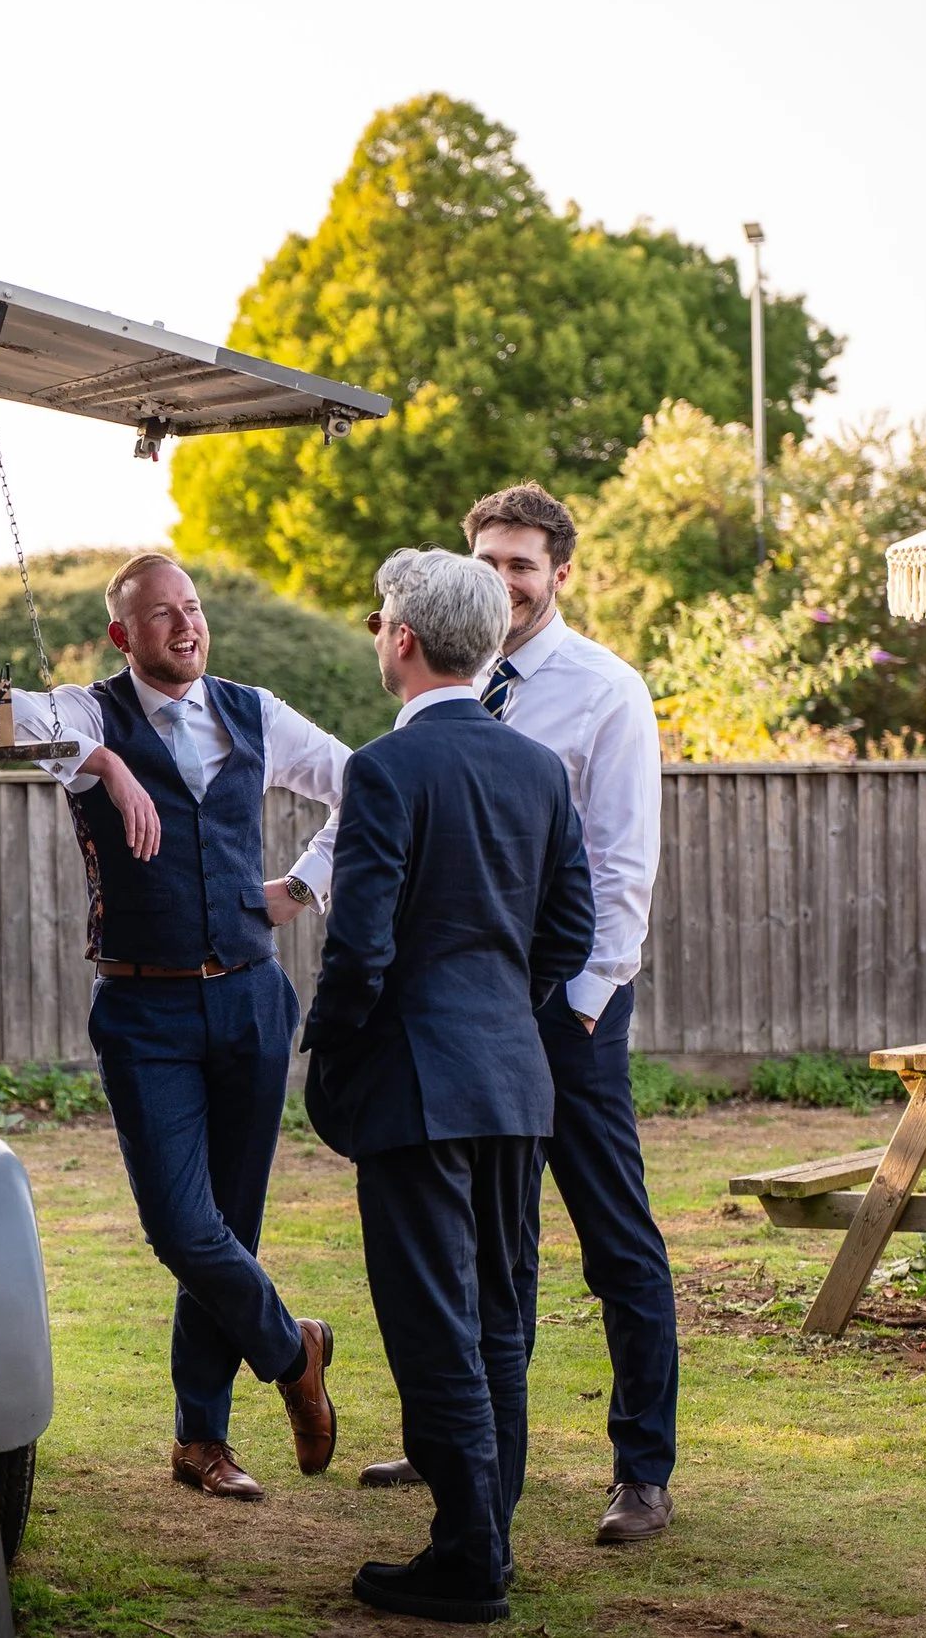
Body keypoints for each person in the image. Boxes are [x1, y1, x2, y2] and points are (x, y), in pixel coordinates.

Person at [358, 482, 678, 1542]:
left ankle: (641, 1468)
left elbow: (623, 867)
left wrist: (579, 1002)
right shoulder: (446, 677)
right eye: (487, 561)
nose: (503, 580)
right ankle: (462, 1438)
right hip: (473, 1018)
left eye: (521, 564)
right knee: (478, 1244)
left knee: (612, 1238)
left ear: (560, 573)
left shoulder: (604, 691)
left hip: (571, 1011)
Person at [8, 551, 347, 1503]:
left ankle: (201, 1440)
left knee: (229, 1227)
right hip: (144, 1007)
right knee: (181, 1227)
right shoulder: (86, 711)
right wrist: (105, 763)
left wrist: (304, 887)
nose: (185, 626)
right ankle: (295, 1350)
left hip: (249, 996)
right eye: (161, 616)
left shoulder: (254, 711)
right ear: (124, 635)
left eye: (192, 609)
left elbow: (367, 788)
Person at [302, 548, 594, 1623]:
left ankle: (469, 1560)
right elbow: (571, 927)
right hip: (514, 1081)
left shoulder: (382, 769)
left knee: (435, 1325)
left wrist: (327, 1044)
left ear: (406, 639)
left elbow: (362, 946)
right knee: (501, 1321)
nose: (378, 634)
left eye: (382, 621)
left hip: (418, 1086)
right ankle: (487, 1540)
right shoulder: (537, 770)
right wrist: (500, 1014)